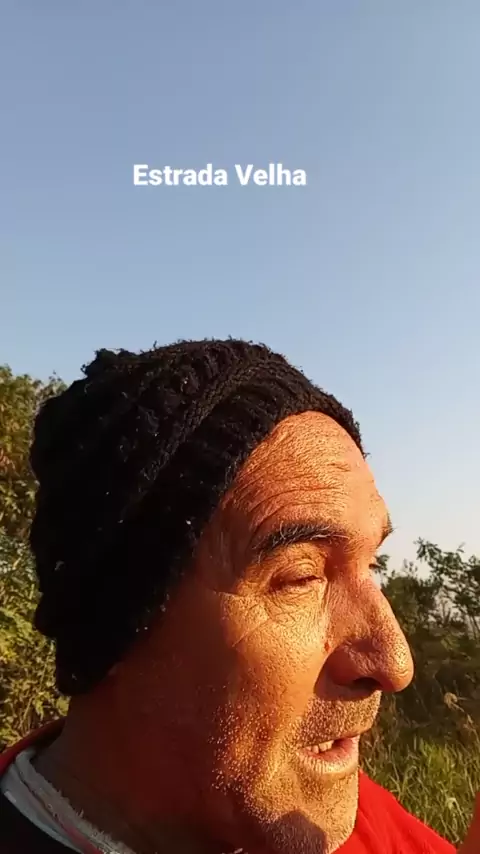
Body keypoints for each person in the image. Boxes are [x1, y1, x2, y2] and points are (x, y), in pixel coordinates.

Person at [0, 339, 475, 854]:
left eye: (371, 563)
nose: (395, 663)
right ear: (116, 620)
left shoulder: (352, 820)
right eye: (301, 577)